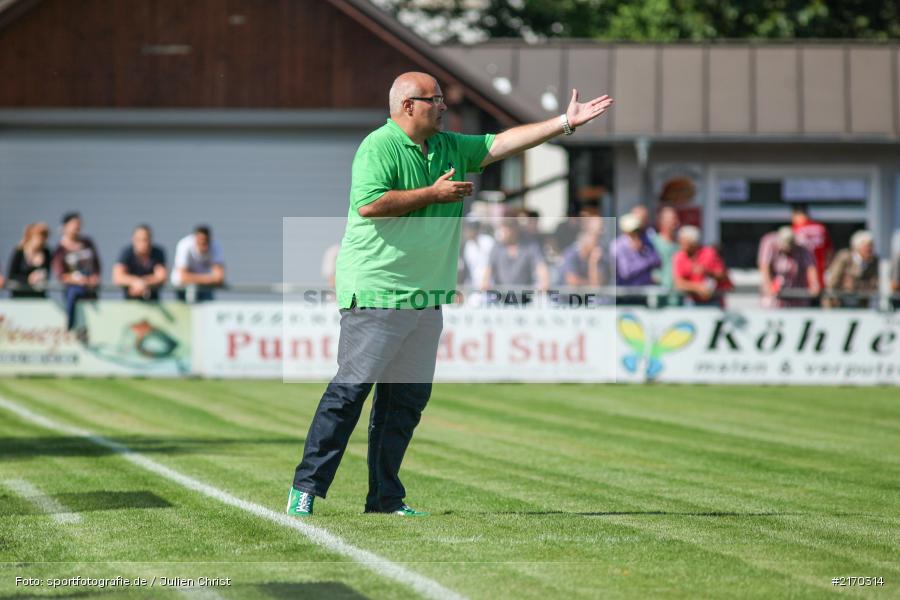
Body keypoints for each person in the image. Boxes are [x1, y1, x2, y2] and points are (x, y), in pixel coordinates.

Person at [287, 71, 613, 517]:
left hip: (426, 298)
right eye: (434, 99)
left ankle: (385, 500)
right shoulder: (377, 146)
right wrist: (433, 194)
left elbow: (501, 144)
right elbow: (370, 204)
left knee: (404, 404)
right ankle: (306, 489)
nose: (443, 105)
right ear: (408, 105)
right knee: (349, 394)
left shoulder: (447, 146)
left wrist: (564, 123)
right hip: (379, 292)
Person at [51, 212, 101, 330]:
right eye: (74, 224)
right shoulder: (60, 250)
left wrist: (95, 276)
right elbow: (60, 274)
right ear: (65, 226)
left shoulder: (87, 243)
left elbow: (97, 265)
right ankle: (70, 326)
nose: (77, 227)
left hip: (90, 289)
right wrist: (76, 280)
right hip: (73, 291)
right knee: (74, 295)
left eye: (79, 224)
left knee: (92, 321)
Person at [481, 219, 550, 303]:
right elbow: (489, 268)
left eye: (505, 230)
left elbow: (540, 266)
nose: (501, 234)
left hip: (525, 298)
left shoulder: (530, 246)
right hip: (501, 298)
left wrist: (544, 282)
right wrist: (485, 282)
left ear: (514, 230)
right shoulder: (497, 247)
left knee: (543, 301)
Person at [760, 226, 820, 308]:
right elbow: (764, 265)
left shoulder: (802, 245)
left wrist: (814, 284)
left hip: (797, 291)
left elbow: (810, 266)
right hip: (776, 292)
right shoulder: (769, 242)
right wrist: (768, 285)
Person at [672, 226, 731, 307]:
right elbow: (678, 283)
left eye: (683, 241)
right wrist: (698, 288)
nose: (680, 243)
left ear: (692, 243)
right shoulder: (680, 257)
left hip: (713, 300)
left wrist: (707, 272)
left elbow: (723, 276)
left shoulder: (709, 253)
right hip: (692, 302)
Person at [612, 212, 661, 305]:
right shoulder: (618, 246)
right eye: (632, 231)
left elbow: (658, 261)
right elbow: (626, 272)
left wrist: (642, 251)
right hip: (625, 295)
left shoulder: (645, 242)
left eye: (637, 230)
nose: (635, 234)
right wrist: (645, 262)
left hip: (644, 293)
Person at [824, 230, 879, 308]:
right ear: (858, 247)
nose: (870, 250)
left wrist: (855, 284)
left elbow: (874, 284)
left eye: (872, 246)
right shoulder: (845, 257)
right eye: (868, 246)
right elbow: (833, 280)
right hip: (838, 303)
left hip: (860, 305)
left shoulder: (874, 261)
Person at [112, 225, 168, 301]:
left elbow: (162, 277)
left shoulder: (157, 253)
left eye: (145, 240)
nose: (143, 243)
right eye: (139, 240)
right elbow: (117, 277)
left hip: (153, 302)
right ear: (133, 240)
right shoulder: (126, 253)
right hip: (129, 302)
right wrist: (135, 282)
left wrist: (143, 283)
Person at [171, 225, 225, 302]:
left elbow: (219, 278)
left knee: (207, 308)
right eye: (200, 241)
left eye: (205, 241)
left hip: (205, 288)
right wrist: (210, 279)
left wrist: (193, 278)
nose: (203, 244)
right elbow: (183, 277)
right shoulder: (184, 245)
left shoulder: (216, 246)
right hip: (182, 287)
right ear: (195, 239)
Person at [791, 203, 832, 295]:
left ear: (796, 215)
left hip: (802, 279)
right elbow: (829, 252)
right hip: (821, 275)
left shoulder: (796, 229)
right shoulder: (820, 228)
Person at [7, 222, 51, 298]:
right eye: (40, 236)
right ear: (31, 236)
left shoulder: (46, 253)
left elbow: (47, 273)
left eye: (45, 236)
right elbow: (11, 275)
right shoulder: (19, 252)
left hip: (38, 296)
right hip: (20, 295)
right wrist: (28, 279)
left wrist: (39, 277)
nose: (42, 240)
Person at [650, 206, 680, 307]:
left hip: (677, 296)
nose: (675, 222)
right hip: (659, 296)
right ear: (661, 221)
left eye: (676, 218)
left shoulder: (679, 245)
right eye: (672, 219)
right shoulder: (653, 242)